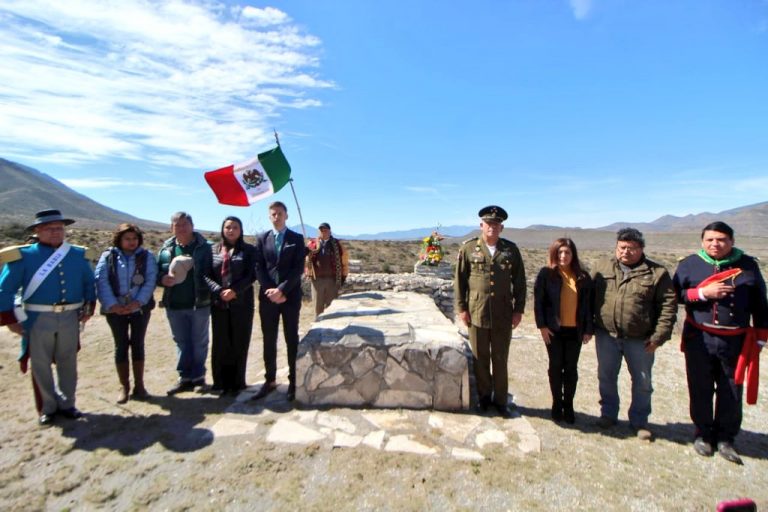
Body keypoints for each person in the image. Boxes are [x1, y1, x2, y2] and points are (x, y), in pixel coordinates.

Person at [672, 221, 768, 464]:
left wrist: (761, 338)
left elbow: (760, 304)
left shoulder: (748, 266)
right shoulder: (690, 265)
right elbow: (675, 295)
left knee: (731, 389)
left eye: (721, 239)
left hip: (735, 341)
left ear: (732, 242)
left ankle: (726, 438)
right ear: (703, 241)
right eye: (710, 240)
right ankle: (703, 433)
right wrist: (703, 294)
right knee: (700, 386)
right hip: (699, 338)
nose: (715, 244)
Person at [0, 209, 96, 426]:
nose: (56, 233)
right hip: (36, 318)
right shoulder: (23, 256)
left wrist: (88, 309)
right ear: (37, 231)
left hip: (70, 316)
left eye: (59, 229)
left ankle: (68, 404)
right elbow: (4, 290)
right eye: (50, 229)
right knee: (41, 364)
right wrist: (10, 320)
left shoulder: (77, 255)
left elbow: (89, 284)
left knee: (68, 362)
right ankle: (48, 407)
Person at [591, 228, 677, 440]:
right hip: (606, 335)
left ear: (641, 249)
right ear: (616, 247)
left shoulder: (657, 273)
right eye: (622, 247)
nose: (625, 252)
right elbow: (588, 296)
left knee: (642, 381)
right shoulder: (602, 267)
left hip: (641, 339)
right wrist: (587, 326)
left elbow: (668, 306)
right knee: (606, 376)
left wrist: (659, 337)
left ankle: (639, 421)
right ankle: (608, 414)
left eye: (631, 248)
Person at [454, 205, 526, 418]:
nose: (492, 228)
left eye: (496, 224)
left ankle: (501, 400)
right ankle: (484, 399)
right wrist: (461, 308)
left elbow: (520, 282)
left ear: (501, 227)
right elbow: (459, 280)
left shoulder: (510, 250)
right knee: (480, 357)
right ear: (481, 226)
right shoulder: (468, 249)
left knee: (500, 358)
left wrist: (519, 310)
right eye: (488, 224)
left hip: (504, 313)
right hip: (477, 312)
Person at [95, 223, 157, 404]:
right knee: (121, 345)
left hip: (140, 308)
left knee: (138, 343)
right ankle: (124, 386)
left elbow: (150, 280)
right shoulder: (108, 257)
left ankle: (140, 385)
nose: (131, 242)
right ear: (119, 239)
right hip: (115, 310)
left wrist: (138, 302)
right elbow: (101, 281)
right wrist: (113, 305)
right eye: (127, 239)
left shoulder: (147, 257)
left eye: (134, 239)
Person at [533, 238, 593, 424]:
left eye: (567, 252)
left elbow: (589, 306)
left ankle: (569, 405)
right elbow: (539, 302)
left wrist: (588, 329)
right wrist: (542, 326)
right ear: (554, 254)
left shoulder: (582, 276)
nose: (563, 256)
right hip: (554, 330)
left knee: (571, 369)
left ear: (573, 254)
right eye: (559, 252)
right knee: (556, 367)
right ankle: (556, 404)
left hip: (575, 330)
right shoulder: (546, 274)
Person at [252, 201, 306, 402]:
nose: (277, 217)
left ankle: (293, 381)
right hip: (268, 299)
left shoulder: (296, 238)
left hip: (290, 297)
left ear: (286, 215)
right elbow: (259, 267)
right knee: (269, 339)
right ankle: (270, 380)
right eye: (273, 214)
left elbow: (298, 268)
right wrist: (270, 290)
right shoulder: (261, 238)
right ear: (269, 216)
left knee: (291, 339)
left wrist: (282, 290)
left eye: (280, 213)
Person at [157, 212, 213, 395]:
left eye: (184, 224)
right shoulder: (166, 249)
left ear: (192, 225)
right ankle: (184, 378)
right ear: (171, 228)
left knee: (199, 342)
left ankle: (198, 377)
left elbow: (214, 272)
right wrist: (162, 279)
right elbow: (157, 273)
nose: (181, 228)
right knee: (181, 342)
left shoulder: (205, 248)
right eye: (177, 225)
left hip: (199, 303)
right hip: (174, 304)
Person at [204, 216, 256, 396]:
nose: (231, 230)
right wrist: (219, 291)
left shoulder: (249, 250)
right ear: (222, 230)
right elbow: (206, 275)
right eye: (227, 227)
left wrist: (234, 290)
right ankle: (220, 382)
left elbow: (251, 275)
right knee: (220, 343)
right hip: (219, 303)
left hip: (241, 303)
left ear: (240, 230)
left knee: (239, 342)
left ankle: (237, 383)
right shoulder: (212, 250)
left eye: (235, 227)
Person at [305, 222, 349, 316]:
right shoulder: (312, 244)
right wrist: (307, 272)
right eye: (321, 230)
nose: (323, 232)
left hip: (332, 280)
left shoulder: (338, 245)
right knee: (318, 306)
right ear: (318, 232)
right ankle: (318, 326)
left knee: (331, 306)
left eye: (325, 230)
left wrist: (343, 276)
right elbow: (306, 261)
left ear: (330, 231)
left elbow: (344, 261)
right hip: (317, 280)